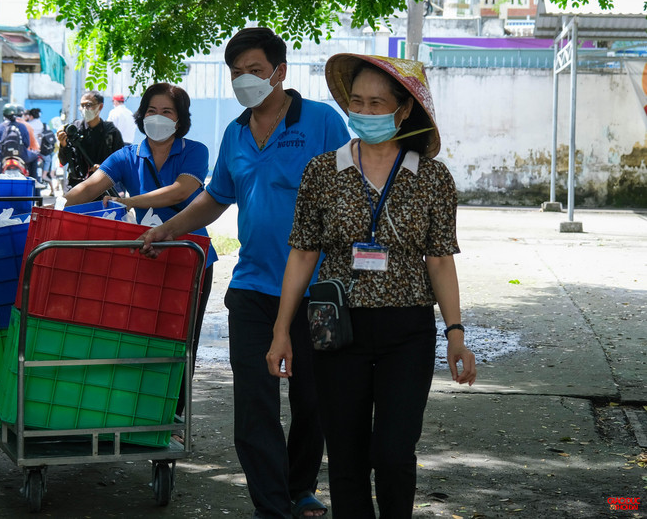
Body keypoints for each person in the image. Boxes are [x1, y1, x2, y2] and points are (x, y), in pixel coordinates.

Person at [138, 28, 349, 519]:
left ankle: (300, 487)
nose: (244, 81)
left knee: (314, 400)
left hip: (320, 290)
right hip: (253, 288)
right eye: (236, 73)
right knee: (255, 404)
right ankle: (272, 506)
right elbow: (216, 197)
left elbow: (354, 187)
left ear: (280, 72)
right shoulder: (234, 133)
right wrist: (168, 228)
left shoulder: (321, 121)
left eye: (255, 70)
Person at [265, 54, 477, 518]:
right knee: (346, 457)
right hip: (335, 328)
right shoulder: (322, 171)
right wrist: (282, 331)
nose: (364, 111)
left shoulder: (432, 178)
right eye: (357, 102)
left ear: (404, 110)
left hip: (408, 331)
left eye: (377, 103)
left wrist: (455, 333)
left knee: (394, 453)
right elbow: (302, 253)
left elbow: (440, 259)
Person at [64, 83, 219, 424]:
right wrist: (78, 193)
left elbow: (179, 191)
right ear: (141, 115)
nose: (158, 117)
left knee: (183, 337)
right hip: (144, 255)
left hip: (190, 255)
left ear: (180, 120)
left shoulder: (195, 151)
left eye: (167, 112)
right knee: (139, 330)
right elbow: (81, 193)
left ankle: (174, 414)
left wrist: (129, 201)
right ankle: (137, 407)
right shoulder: (126, 156)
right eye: (151, 111)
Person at [57, 91, 124, 189]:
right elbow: (63, 161)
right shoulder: (74, 129)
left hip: (101, 187)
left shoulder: (111, 132)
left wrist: (104, 168)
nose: (84, 109)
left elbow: (120, 162)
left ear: (100, 106)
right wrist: (63, 144)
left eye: (88, 105)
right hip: (76, 185)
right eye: (82, 105)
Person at [0, 103, 37, 176]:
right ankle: (34, 180)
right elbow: (27, 143)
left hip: (4, 155)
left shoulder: (0, 127)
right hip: (22, 155)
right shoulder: (22, 126)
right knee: (35, 157)